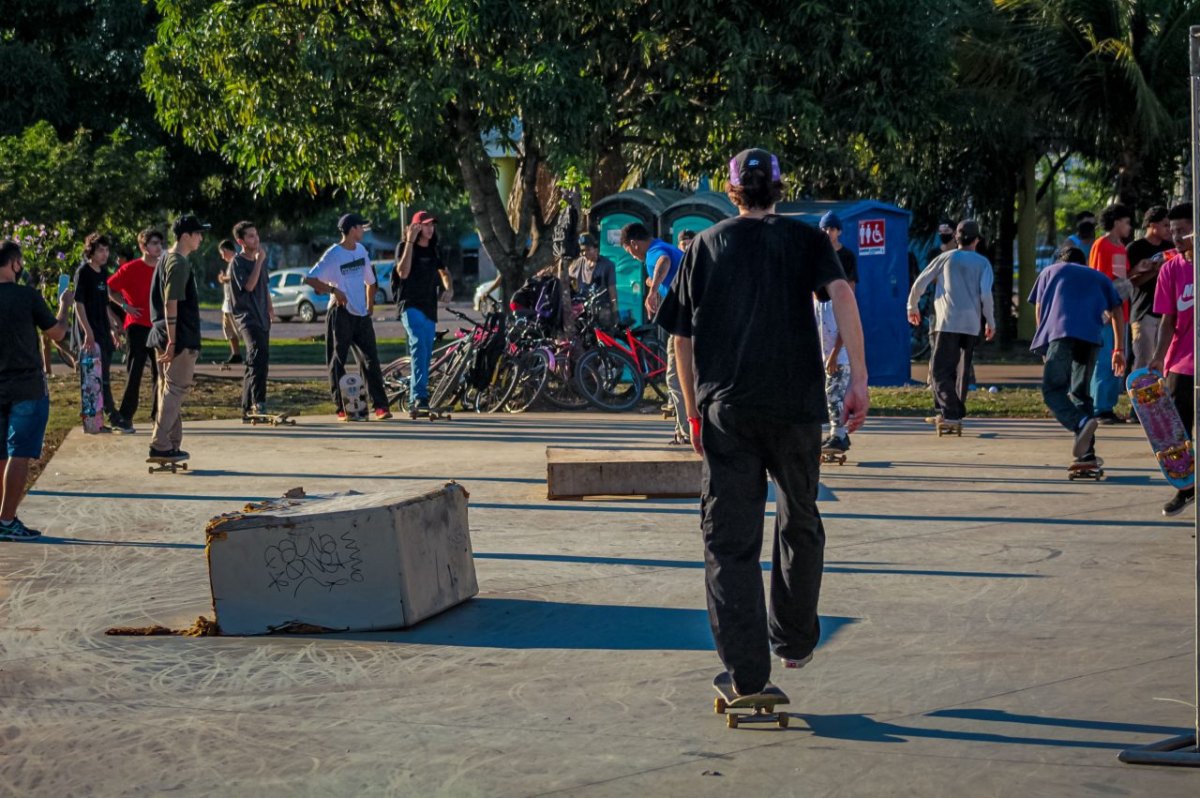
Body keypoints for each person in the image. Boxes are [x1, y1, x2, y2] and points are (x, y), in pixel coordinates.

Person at [656, 147, 868, 698]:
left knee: (730, 542)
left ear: (732, 192)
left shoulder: (704, 246)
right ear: (778, 189)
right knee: (800, 518)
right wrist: (860, 378)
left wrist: (690, 410)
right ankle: (794, 640)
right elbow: (842, 293)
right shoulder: (807, 239)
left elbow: (681, 338)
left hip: (728, 412)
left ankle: (748, 677)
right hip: (795, 409)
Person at [0, 240, 73, 539]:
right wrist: (64, 305)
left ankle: (2, 518)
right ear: (15, 263)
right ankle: (7, 521)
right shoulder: (26, 296)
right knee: (19, 454)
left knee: (1, 454)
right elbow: (57, 332)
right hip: (27, 385)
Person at [1028, 244, 1123, 468]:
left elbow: (1040, 308)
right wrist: (1119, 349)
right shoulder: (1098, 277)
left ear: (1061, 260)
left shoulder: (1050, 271)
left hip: (1060, 335)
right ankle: (1087, 454)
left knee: (1053, 390)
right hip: (1090, 339)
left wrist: (1043, 344)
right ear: (1084, 263)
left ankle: (1080, 422)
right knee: (1081, 393)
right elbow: (1117, 310)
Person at [906, 220, 996, 428]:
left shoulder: (945, 258)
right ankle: (953, 412)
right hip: (971, 325)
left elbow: (920, 282)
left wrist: (912, 306)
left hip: (947, 323)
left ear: (956, 238)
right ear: (977, 240)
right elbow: (986, 294)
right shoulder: (983, 263)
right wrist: (990, 321)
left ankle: (951, 413)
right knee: (962, 371)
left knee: (939, 371)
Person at [305, 213, 392, 420]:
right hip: (340, 313)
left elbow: (371, 282)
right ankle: (342, 407)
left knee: (371, 360)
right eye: (361, 227)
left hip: (361, 315)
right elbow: (310, 278)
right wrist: (334, 291)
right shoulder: (334, 254)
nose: (363, 231)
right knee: (337, 360)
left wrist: (370, 305)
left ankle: (380, 406)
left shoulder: (361, 250)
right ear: (352, 229)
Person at [146, 215, 208, 462]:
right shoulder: (178, 262)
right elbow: (170, 303)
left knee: (169, 389)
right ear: (185, 236)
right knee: (175, 389)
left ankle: (171, 443)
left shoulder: (164, 259)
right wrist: (173, 342)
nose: (201, 238)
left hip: (163, 333)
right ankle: (160, 444)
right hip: (177, 336)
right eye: (198, 234)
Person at [1149, 202, 1195, 516]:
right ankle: (1186, 488)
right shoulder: (1170, 269)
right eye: (1173, 231)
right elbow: (1167, 321)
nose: (1176, 237)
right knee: (1177, 432)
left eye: (1182, 231)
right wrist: (1157, 357)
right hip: (1182, 362)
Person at [622, 222, 686, 442]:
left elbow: (663, 262)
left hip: (683, 322)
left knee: (675, 376)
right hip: (692, 318)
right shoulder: (665, 246)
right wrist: (653, 282)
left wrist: (651, 292)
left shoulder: (653, 252)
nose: (632, 256)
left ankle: (686, 431)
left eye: (629, 252)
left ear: (634, 244)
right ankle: (687, 428)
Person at [395, 210, 453, 414]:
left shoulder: (434, 250)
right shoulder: (404, 246)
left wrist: (449, 288)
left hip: (429, 306)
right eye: (426, 225)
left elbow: (444, 272)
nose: (430, 229)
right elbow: (403, 272)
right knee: (419, 343)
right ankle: (420, 397)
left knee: (426, 352)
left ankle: (415, 398)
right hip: (410, 304)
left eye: (432, 225)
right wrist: (410, 242)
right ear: (416, 227)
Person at [73, 232, 131, 433]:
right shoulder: (83, 272)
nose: (104, 254)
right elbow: (78, 304)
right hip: (91, 332)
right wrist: (87, 332)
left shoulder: (103, 272)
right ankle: (112, 416)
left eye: (106, 250)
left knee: (103, 374)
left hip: (103, 330)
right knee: (97, 376)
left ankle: (97, 421)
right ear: (91, 251)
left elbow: (105, 304)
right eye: (100, 250)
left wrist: (113, 328)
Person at [107, 227, 162, 426]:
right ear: (143, 247)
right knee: (135, 372)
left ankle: (159, 415)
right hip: (137, 326)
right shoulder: (130, 268)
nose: (158, 247)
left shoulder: (164, 268)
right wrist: (125, 306)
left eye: (160, 243)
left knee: (160, 372)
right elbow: (110, 288)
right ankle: (126, 415)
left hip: (158, 326)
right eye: (154, 243)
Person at [816, 211, 859, 455]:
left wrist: (835, 352)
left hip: (836, 316)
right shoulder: (816, 253)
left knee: (835, 386)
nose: (827, 233)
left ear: (839, 231)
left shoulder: (846, 256)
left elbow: (848, 300)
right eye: (824, 229)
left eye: (831, 229)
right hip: (820, 318)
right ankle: (836, 432)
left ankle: (839, 435)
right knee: (827, 387)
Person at [1088, 204, 1134, 424]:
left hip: (1120, 311)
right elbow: (1096, 278)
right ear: (1116, 222)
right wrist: (1103, 309)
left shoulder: (1121, 248)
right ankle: (1100, 407)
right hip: (1105, 313)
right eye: (1126, 222)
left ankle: (1108, 405)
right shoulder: (1101, 244)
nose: (1129, 227)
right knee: (1105, 360)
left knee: (1117, 360)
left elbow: (1122, 278)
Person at [228, 221, 273, 421]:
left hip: (262, 316)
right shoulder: (238, 262)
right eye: (251, 236)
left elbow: (264, 285)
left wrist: (270, 308)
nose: (256, 239)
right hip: (246, 317)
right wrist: (258, 261)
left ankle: (246, 408)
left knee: (258, 359)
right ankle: (258, 402)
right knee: (257, 354)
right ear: (241, 241)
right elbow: (249, 286)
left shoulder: (259, 261)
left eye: (256, 234)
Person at [1126, 206, 1174, 375]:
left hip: (1167, 314)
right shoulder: (1135, 248)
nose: (1169, 230)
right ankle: (1139, 391)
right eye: (1165, 225)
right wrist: (1154, 271)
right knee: (1144, 361)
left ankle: (1161, 392)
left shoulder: (1170, 247)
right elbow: (1130, 282)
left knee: (1164, 362)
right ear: (1153, 225)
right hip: (1144, 311)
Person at [568, 233, 617, 321]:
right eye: (582, 250)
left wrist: (615, 311)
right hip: (582, 309)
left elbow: (612, 290)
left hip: (601, 309)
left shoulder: (607, 265)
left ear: (596, 249)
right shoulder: (578, 263)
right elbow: (565, 277)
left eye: (588, 249)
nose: (584, 253)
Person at [215, 239, 243, 366]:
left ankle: (252, 355)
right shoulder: (231, 262)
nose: (222, 257)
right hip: (227, 304)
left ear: (226, 250)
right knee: (229, 331)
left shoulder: (237, 261)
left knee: (240, 331)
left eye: (222, 253)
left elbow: (236, 278)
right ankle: (236, 354)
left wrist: (223, 278)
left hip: (234, 304)